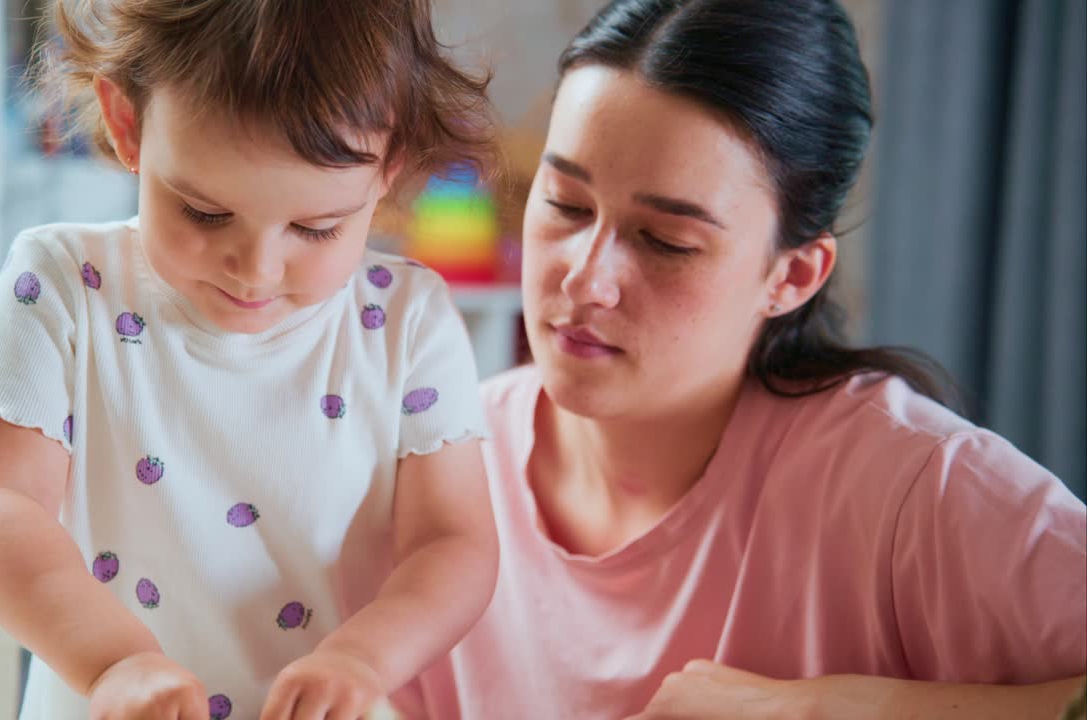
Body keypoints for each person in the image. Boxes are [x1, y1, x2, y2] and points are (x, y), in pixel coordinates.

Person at [397, 0, 1087, 718]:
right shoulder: (435, 459)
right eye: (567, 204)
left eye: (666, 241)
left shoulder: (914, 486)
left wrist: (823, 710)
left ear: (790, 277)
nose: (584, 279)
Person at [0, 1, 499, 718]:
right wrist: (116, 665)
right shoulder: (61, 285)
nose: (257, 271)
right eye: (204, 213)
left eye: (315, 228)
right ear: (128, 124)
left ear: (388, 166)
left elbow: (452, 542)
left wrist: (363, 660)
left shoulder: (408, 322)